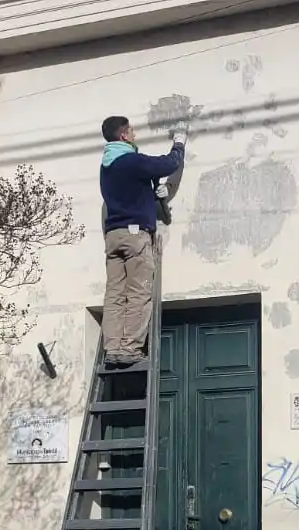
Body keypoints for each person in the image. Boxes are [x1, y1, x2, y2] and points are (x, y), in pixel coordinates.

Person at [99, 114, 188, 367]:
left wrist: (150, 194)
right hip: (135, 234)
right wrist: (179, 143)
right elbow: (168, 164)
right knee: (138, 293)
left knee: (115, 294)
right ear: (124, 135)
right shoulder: (131, 161)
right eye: (132, 131)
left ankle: (113, 347)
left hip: (113, 236)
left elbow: (130, 191)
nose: (135, 134)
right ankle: (129, 349)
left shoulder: (106, 166)